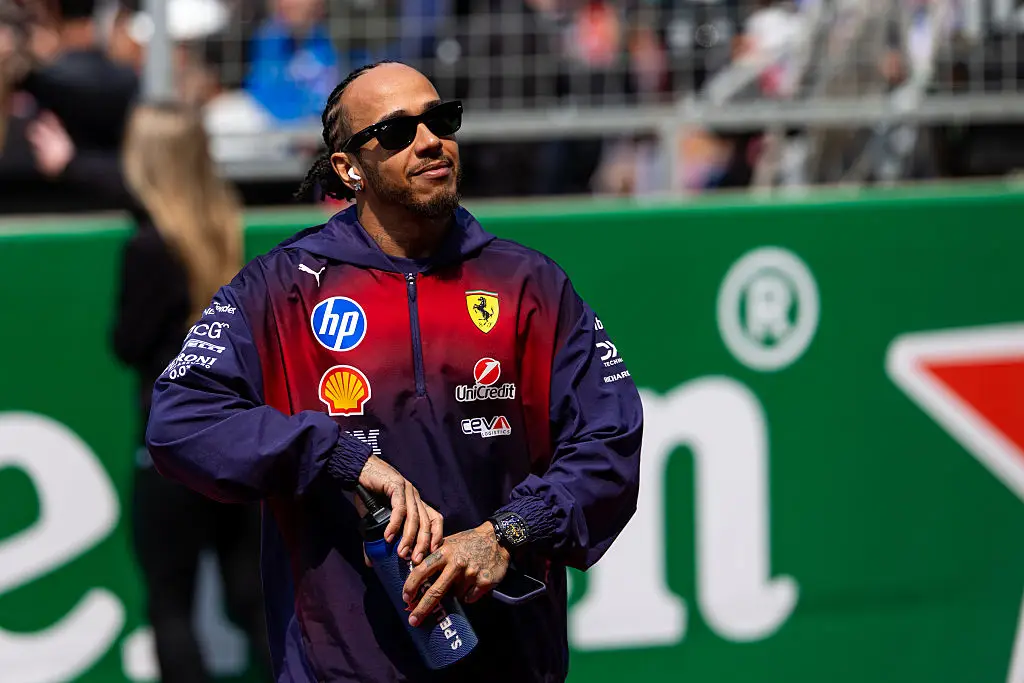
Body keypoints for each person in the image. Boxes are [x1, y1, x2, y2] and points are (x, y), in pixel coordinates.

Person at [145, 60, 643, 683]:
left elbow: (609, 438)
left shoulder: (527, 284)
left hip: (510, 661)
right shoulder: (280, 288)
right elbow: (179, 419)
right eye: (396, 131)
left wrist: (507, 533)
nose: (429, 141)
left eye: (440, 119)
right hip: (341, 667)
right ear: (348, 167)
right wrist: (340, 456)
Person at [27, 102, 272, 683]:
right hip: (237, 438)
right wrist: (75, 167)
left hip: (171, 447)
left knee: (169, 600)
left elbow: (127, 342)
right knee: (251, 599)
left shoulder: (148, 246)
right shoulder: (225, 222)